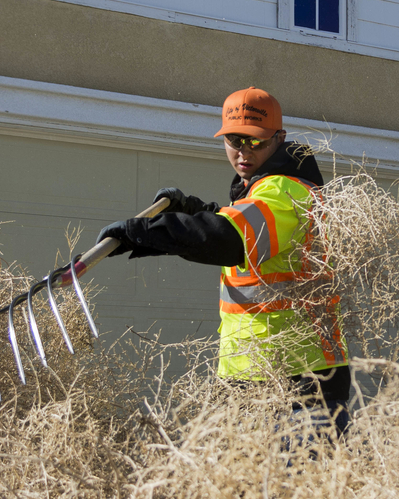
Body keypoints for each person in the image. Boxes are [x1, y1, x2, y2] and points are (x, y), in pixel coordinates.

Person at [96, 87, 350, 435]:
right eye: (234, 139)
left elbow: (229, 238)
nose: (244, 152)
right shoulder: (259, 190)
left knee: (297, 489)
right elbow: (234, 223)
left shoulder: (286, 191)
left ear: (280, 138)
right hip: (252, 379)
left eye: (256, 141)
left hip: (299, 383)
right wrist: (194, 210)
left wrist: (144, 232)